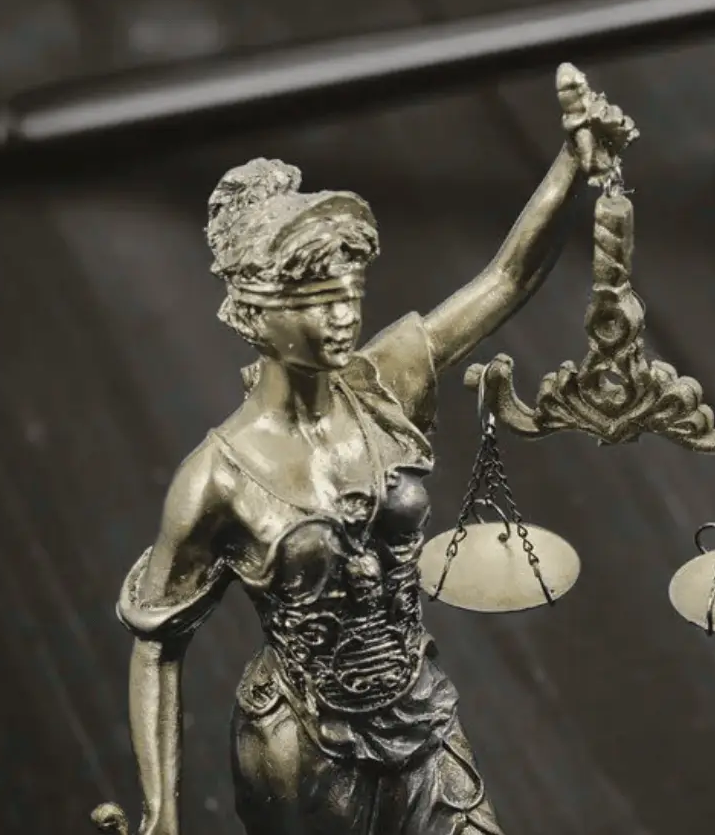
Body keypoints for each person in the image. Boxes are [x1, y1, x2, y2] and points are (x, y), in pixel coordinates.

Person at [111, 69, 635, 835]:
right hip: (302, 749)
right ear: (255, 315)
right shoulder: (217, 477)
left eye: (350, 294)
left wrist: (570, 167)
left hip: (419, 714)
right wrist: (161, 815)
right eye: (317, 301)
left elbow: (504, 281)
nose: (343, 317)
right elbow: (157, 645)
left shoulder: (383, 385)